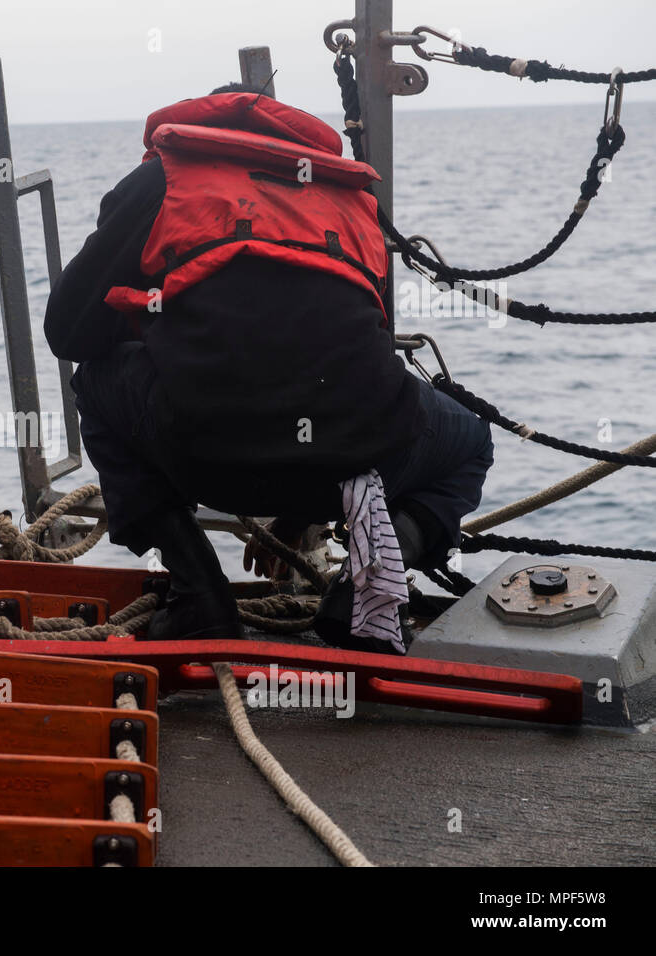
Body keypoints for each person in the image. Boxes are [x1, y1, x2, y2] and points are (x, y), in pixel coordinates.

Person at [44, 83, 494, 653]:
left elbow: (69, 334)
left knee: (96, 379)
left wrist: (156, 317)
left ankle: (198, 594)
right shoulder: (351, 197)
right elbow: (350, 351)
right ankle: (366, 591)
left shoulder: (164, 180)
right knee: (472, 439)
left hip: (202, 459)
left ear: (206, 126)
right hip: (356, 465)